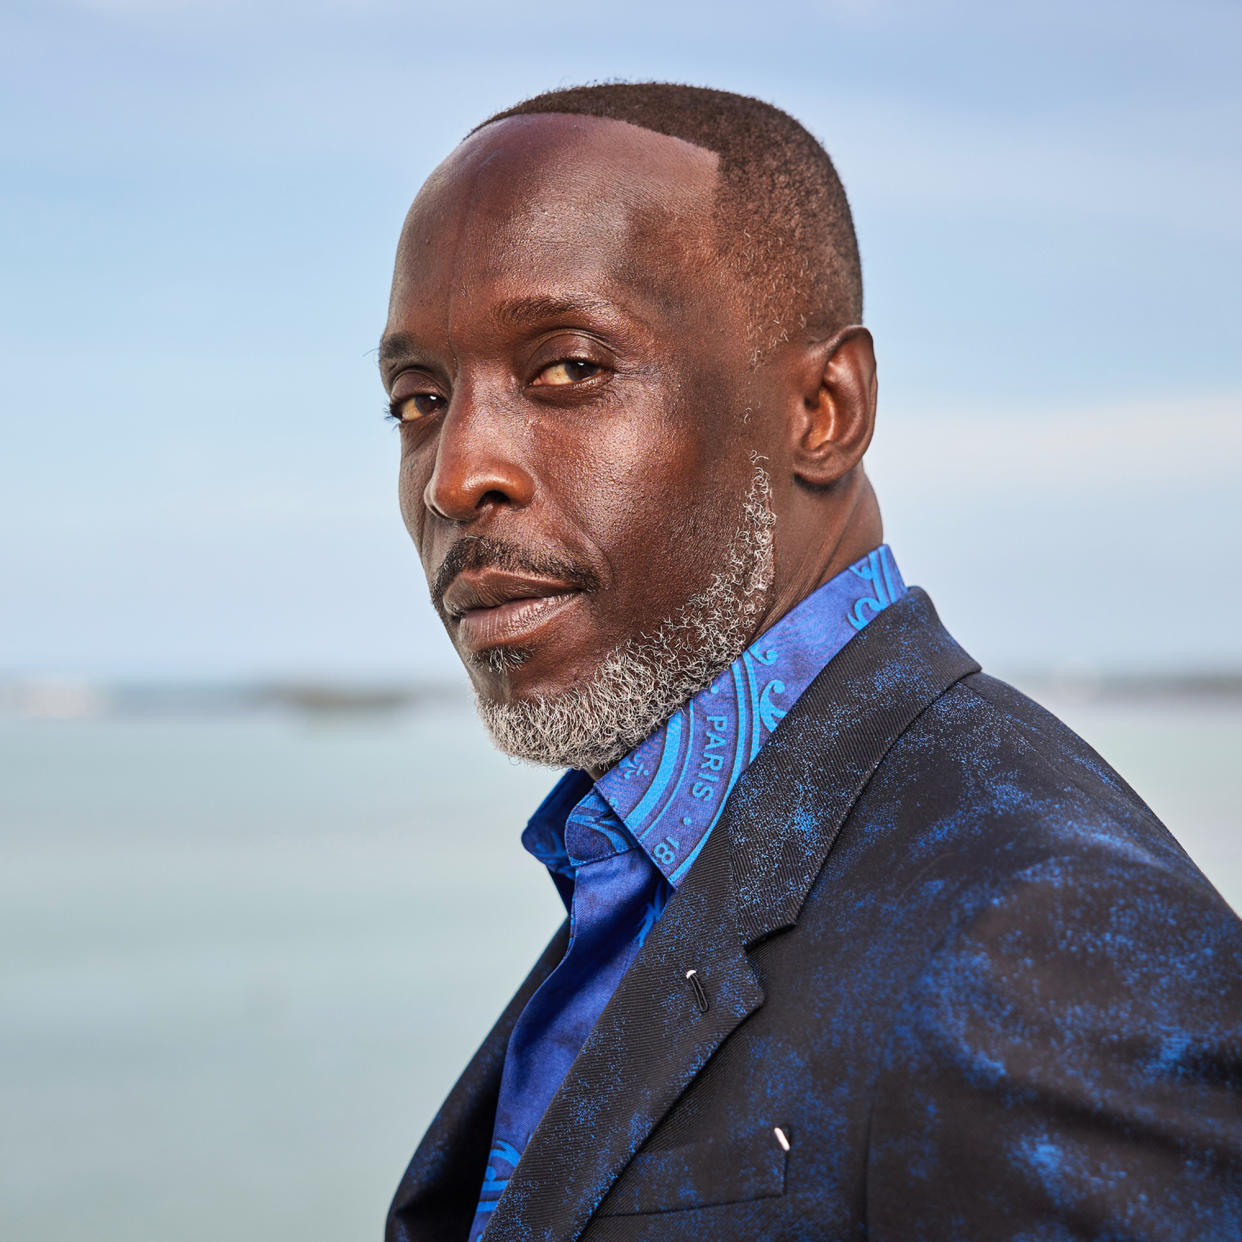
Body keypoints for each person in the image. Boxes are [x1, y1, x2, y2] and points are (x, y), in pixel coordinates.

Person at [379, 83, 1242, 1242]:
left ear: (824, 410)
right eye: (419, 399)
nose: (454, 473)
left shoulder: (1037, 939)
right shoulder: (651, 856)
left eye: (569, 369)